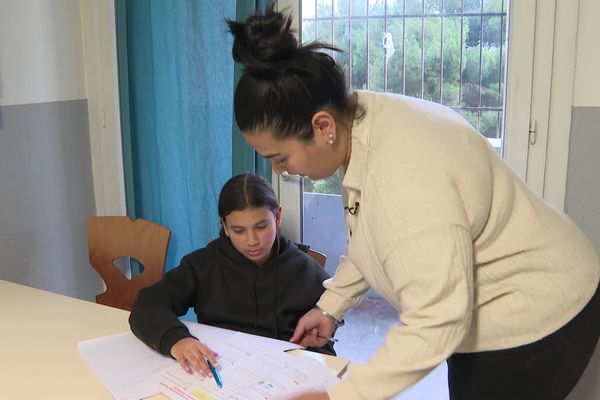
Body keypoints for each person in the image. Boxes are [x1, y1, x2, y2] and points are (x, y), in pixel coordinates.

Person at [227, 5, 600, 400]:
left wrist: (341, 395)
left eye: (280, 158)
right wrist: (330, 307)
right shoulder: (361, 120)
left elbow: (436, 320)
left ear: (322, 127)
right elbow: (368, 236)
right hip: (496, 296)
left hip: (538, 309)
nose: (281, 172)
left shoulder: (403, 176)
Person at [129, 173, 333, 378]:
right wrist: (176, 340)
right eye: (238, 230)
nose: (252, 240)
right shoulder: (204, 264)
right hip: (219, 374)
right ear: (225, 227)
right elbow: (147, 304)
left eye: (261, 227)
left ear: (278, 217)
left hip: (285, 376)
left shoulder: (306, 270)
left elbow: (325, 345)